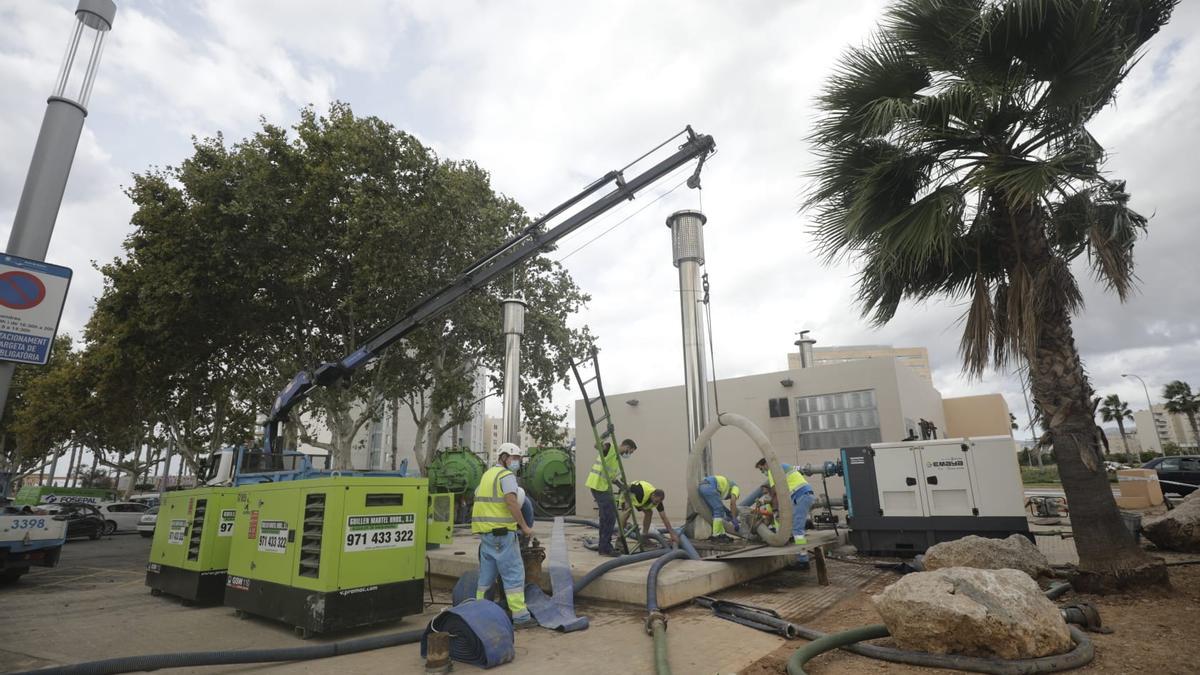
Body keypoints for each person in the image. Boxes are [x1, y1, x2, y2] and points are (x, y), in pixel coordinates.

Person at [472, 442, 536, 628]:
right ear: (504, 457)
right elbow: (511, 502)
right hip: (502, 535)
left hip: (486, 535)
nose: (517, 462)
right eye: (515, 458)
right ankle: (521, 617)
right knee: (514, 575)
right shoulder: (506, 476)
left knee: (486, 578)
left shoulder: (487, 475)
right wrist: (524, 526)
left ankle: (479, 613)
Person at [755, 458, 815, 569]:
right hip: (804, 495)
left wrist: (776, 511)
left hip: (800, 496)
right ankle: (805, 526)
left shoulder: (773, 470)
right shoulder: (784, 465)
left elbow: (775, 492)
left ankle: (803, 561)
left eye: (761, 469)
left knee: (797, 530)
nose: (762, 472)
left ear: (766, 464)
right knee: (794, 523)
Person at [584, 438, 637, 557]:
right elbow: (596, 445)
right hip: (598, 486)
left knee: (606, 517)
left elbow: (611, 477)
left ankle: (604, 547)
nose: (628, 454)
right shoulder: (609, 447)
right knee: (610, 517)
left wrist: (620, 485)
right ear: (626, 446)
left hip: (602, 487)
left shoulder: (616, 458)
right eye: (630, 451)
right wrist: (605, 435)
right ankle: (605, 548)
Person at [620, 480, 678, 546]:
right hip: (628, 494)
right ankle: (619, 539)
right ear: (653, 495)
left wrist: (672, 534)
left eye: (658, 502)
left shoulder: (657, 501)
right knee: (627, 512)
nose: (656, 503)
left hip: (639, 501)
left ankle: (644, 536)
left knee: (649, 513)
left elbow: (664, 517)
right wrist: (627, 501)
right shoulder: (640, 491)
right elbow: (626, 487)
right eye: (656, 501)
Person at [697, 474, 740, 542]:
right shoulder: (736, 488)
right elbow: (733, 502)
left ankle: (721, 534)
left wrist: (727, 512)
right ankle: (716, 535)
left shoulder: (725, 486)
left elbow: (720, 504)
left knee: (717, 512)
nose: (728, 498)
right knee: (718, 510)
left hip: (703, 487)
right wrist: (734, 518)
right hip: (709, 486)